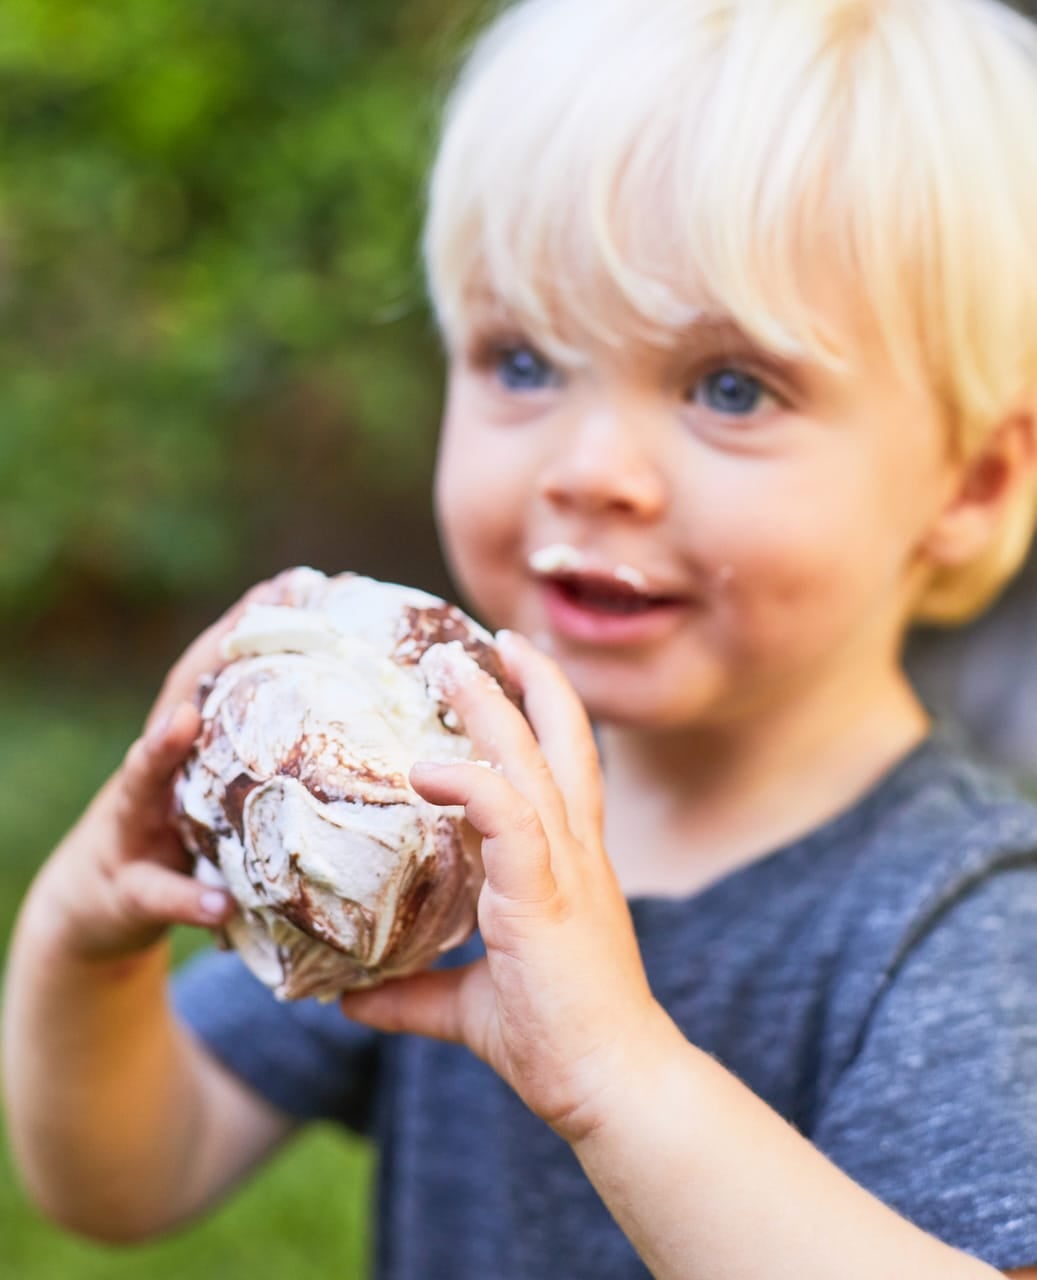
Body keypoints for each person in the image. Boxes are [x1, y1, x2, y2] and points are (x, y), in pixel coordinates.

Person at [5, 0, 1037, 1275]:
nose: (591, 468)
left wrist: (611, 1069)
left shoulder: (959, 921)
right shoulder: (436, 819)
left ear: (969, 485)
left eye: (730, 386)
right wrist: (83, 942)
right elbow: (131, 1171)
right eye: (522, 360)